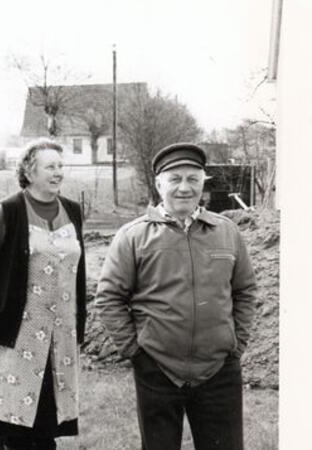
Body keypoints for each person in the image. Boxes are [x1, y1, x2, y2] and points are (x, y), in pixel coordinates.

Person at [95, 143, 257, 450]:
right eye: (175, 179)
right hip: (157, 370)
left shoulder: (227, 232)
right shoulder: (133, 236)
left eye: (193, 179)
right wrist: (136, 352)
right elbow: (109, 298)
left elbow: (245, 290)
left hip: (219, 370)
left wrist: (237, 344)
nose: (185, 188)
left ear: (203, 184)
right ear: (159, 185)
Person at [0, 139, 87, 450]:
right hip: (17, 335)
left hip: (59, 335)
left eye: (61, 166)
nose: (58, 172)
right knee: (12, 424)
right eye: (50, 166)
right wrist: (9, 301)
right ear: (29, 171)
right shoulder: (8, 211)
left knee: (47, 419)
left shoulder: (73, 211)